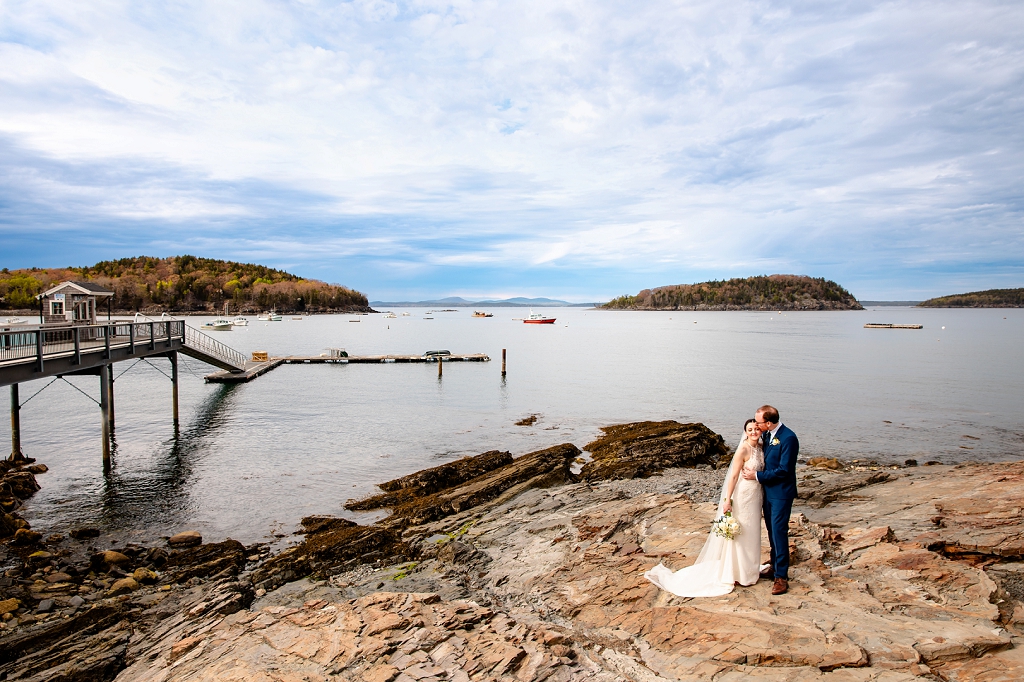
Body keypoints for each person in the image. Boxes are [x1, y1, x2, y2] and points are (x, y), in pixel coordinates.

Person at [644, 419, 764, 597]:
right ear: (745, 432)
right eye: (750, 429)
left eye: (756, 428)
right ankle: (736, 573)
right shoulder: (743, 449)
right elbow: (732, 477)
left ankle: (749, 570)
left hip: (756, 495)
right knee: (741, 533)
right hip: (743, 495)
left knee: (753, 532)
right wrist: (727, 500)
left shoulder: (761, 447)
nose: (754, 432)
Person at [742, 404, 798, 595]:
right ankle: (774, 565)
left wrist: (757, 476)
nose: (756, 426)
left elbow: (784, 470)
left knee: (779, 532)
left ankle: (781, 577)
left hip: (781, 494)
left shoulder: (788, 438)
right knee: (771, 531)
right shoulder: (767, 435)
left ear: (768, 422)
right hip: (767, 492)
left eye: (758, 423)